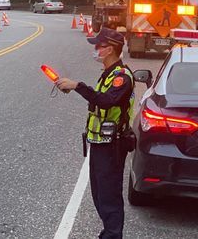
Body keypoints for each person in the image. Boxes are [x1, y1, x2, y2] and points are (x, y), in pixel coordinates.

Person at [55, 27, 135, 239]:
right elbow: (99, 98)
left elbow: (107, 101)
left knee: (109, 196)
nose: (96, 49)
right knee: (100, 194)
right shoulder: (108, 74)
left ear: (109, 49)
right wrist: (74, 88)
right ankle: (108, 233)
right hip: (100, 143)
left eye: (99, 46)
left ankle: (112, 236)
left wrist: (77, 86)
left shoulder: (122, 77)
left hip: (112, 146)